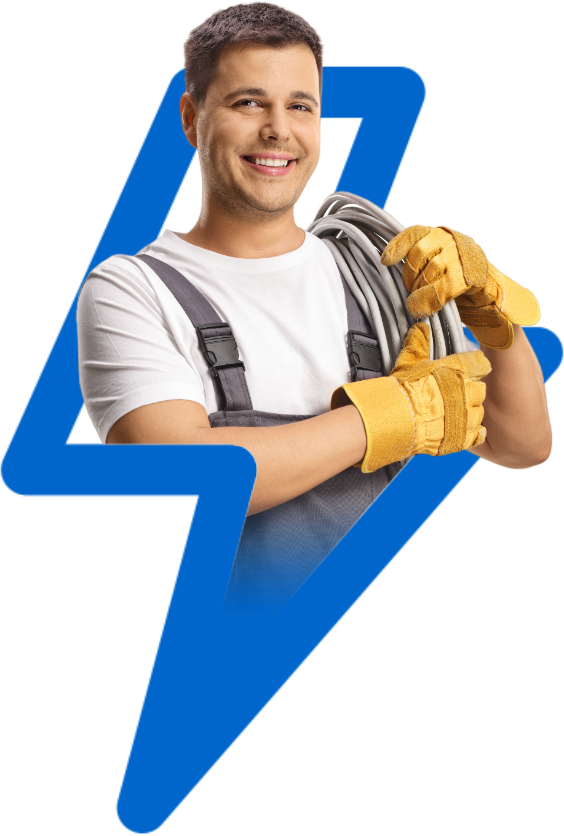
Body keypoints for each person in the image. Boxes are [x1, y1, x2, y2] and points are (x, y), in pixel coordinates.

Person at [76, 3, 552, 611]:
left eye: (300, 106)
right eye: (249, 102)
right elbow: (174, 478)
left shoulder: (381, 272)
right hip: (240, 654)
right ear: (193, 119)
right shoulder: (133, 288)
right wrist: (385, 417)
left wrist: (488, 313)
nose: (279, 129)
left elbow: (523, 445)